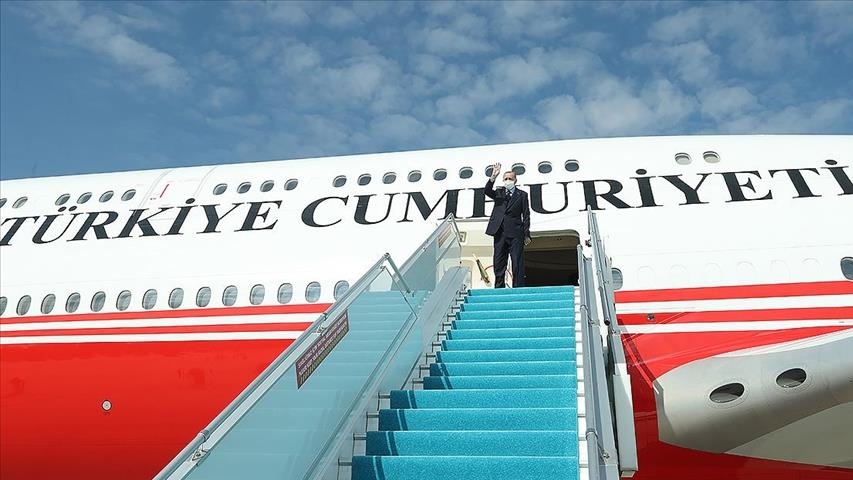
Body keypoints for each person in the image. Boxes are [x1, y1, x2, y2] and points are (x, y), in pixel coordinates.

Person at [485, 162, 531, 288]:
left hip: (516, 232)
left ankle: (518, 287)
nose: (507, 181)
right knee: (499, 260)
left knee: (517, 261)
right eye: (505, 179)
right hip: (499, 231)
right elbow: (487, 191)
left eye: (510, 178)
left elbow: (526, 214)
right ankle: (499, 287)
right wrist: (493, 176)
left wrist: (526, 234)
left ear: (515, 180)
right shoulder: (499, 192)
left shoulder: (522, 195)